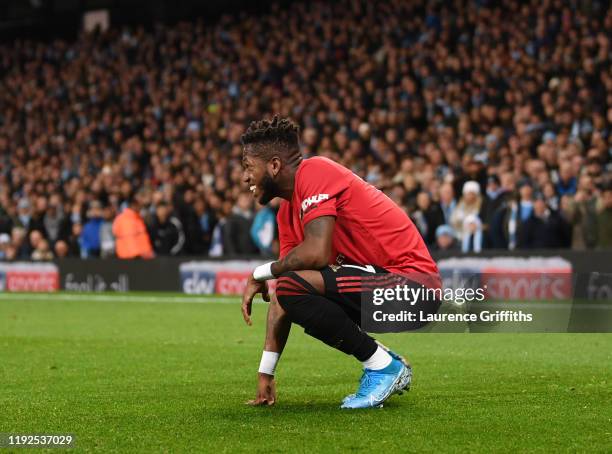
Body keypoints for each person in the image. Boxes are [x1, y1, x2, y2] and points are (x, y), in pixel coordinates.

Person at [240, 116, 440, 409]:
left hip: (415, 287)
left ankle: (383, 366)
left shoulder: (315, 171)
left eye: (248, 167)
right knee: (291, 288)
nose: (245, 177)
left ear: (273, 165)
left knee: (294, 284)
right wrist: (266, 371)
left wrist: (260, 272)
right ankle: (383, 361)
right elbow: (285, 290)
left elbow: (317, 253)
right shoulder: (287, 213)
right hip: (380, 289)